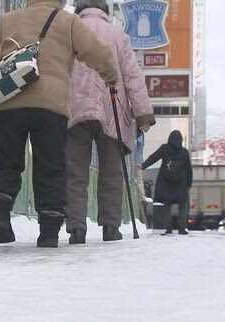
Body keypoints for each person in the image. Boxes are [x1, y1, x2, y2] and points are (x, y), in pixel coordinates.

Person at [0, 0, 119, 248]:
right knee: (51, 166)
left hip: (9, 102)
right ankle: (49, 230)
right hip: (50, 108)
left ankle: (0, 211)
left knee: (6, 161)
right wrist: (111, 77)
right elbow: (99, 52)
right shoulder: (68, 22)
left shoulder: (9, 21)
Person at [65, 0, 155, 244]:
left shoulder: (70, 29)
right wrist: (143, 113)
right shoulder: (118, 35)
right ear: (104, 11)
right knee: (113, 172)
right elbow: (132, 77)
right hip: (112, 107)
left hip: (76, 107)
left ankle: (76, 227)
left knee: (75, 172)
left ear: (79, 9)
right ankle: (111, 226)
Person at [138, 130, 192, 235]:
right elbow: (188, 169)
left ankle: (168, 229)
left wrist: (143, 166)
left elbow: (154, 157)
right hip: (180, 184)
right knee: (182, 205)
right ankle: (182, 229)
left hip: (166, 184)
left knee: (167, 206)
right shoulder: (184, 152)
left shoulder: (165, 149)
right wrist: (189, 184)